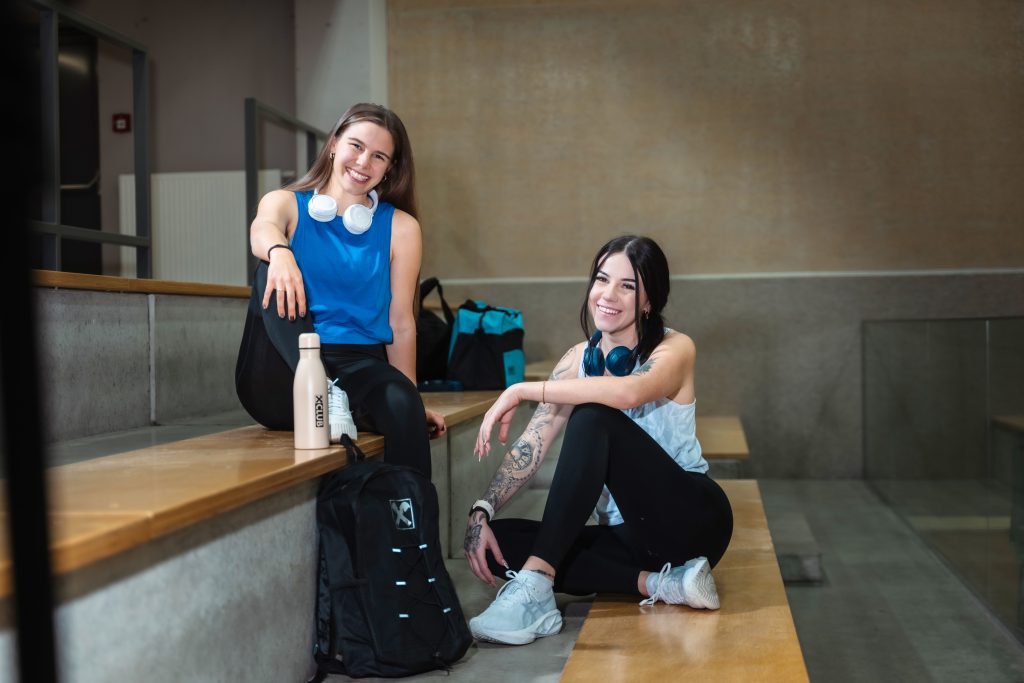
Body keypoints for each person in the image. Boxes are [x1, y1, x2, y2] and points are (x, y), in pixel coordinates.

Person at [462, 235, 734, 645]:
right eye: (602, 279)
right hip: (630, 538)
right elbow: (533, 443)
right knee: (497, 543)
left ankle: (536, 587)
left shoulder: (674, 348)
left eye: (628, 286)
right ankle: (660, 584)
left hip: (691, 521)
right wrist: (483, 508)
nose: (609, 294)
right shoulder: (575, 360)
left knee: (592, 416)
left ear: (648, 301)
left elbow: (627, 392)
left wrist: (520, 389)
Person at [234, 103, 445, 478]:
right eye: (356, 146)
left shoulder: (402, 228)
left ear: (389, 168)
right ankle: (324, 388)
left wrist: (409, 399)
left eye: (379, 156)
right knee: (271, 270)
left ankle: (412, 528)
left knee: (400, 404)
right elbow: (261, 230)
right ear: (333, 144)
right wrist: (281, 252)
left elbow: (401, 323)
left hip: (359, 366)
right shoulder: (286, 203)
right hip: (284, 373)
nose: (364, 162)